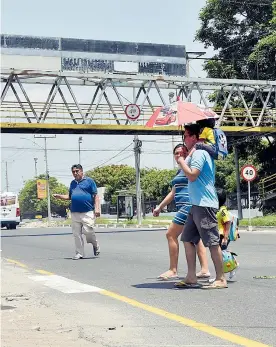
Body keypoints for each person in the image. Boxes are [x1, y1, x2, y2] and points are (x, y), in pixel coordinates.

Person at [176, 124, 227, 289]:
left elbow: (192, 175)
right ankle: (191, 276)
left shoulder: (200, 153)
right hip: (196, 204)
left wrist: (181, 160)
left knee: (212, 242)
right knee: (187, 239)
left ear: (193, 137)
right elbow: (186, 172)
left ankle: (220, 278)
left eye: (185, 136)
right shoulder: (196, 153)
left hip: (204, 204)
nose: (184, 139)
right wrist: (184, 158)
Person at [153, 144, 210, 280]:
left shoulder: (189, 166)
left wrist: (190, 154)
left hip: (188, 205)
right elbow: (173, 193)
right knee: (196, 239)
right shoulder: (179, 172)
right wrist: (159, 207)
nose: (179, 155)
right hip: (187, 207)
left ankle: (173, 270)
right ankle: (204, 269)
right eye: (176, 153)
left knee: (170, 234)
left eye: (182, 152)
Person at [53, 164, 100, 260]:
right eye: (73, 172)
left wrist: (97, 209)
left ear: (82, 171)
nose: (75, 173)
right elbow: (70, 196)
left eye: (77, 171)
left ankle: (95, 245)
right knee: (76, 234)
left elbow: (95, 196)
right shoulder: (72, 183)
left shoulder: (89, 181)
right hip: (75, 212)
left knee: (88, 231)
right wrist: (59, 196)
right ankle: (79, 253)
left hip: (87, 211)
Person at [216, 188, 239, 281]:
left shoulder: (222, 210)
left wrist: (225, 237)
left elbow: (228, 222)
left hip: (222, 235)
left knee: (220, 254)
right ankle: (233, 266)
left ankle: (232, 267)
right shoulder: (218, 209)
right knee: (222, 254)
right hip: (218, 234)